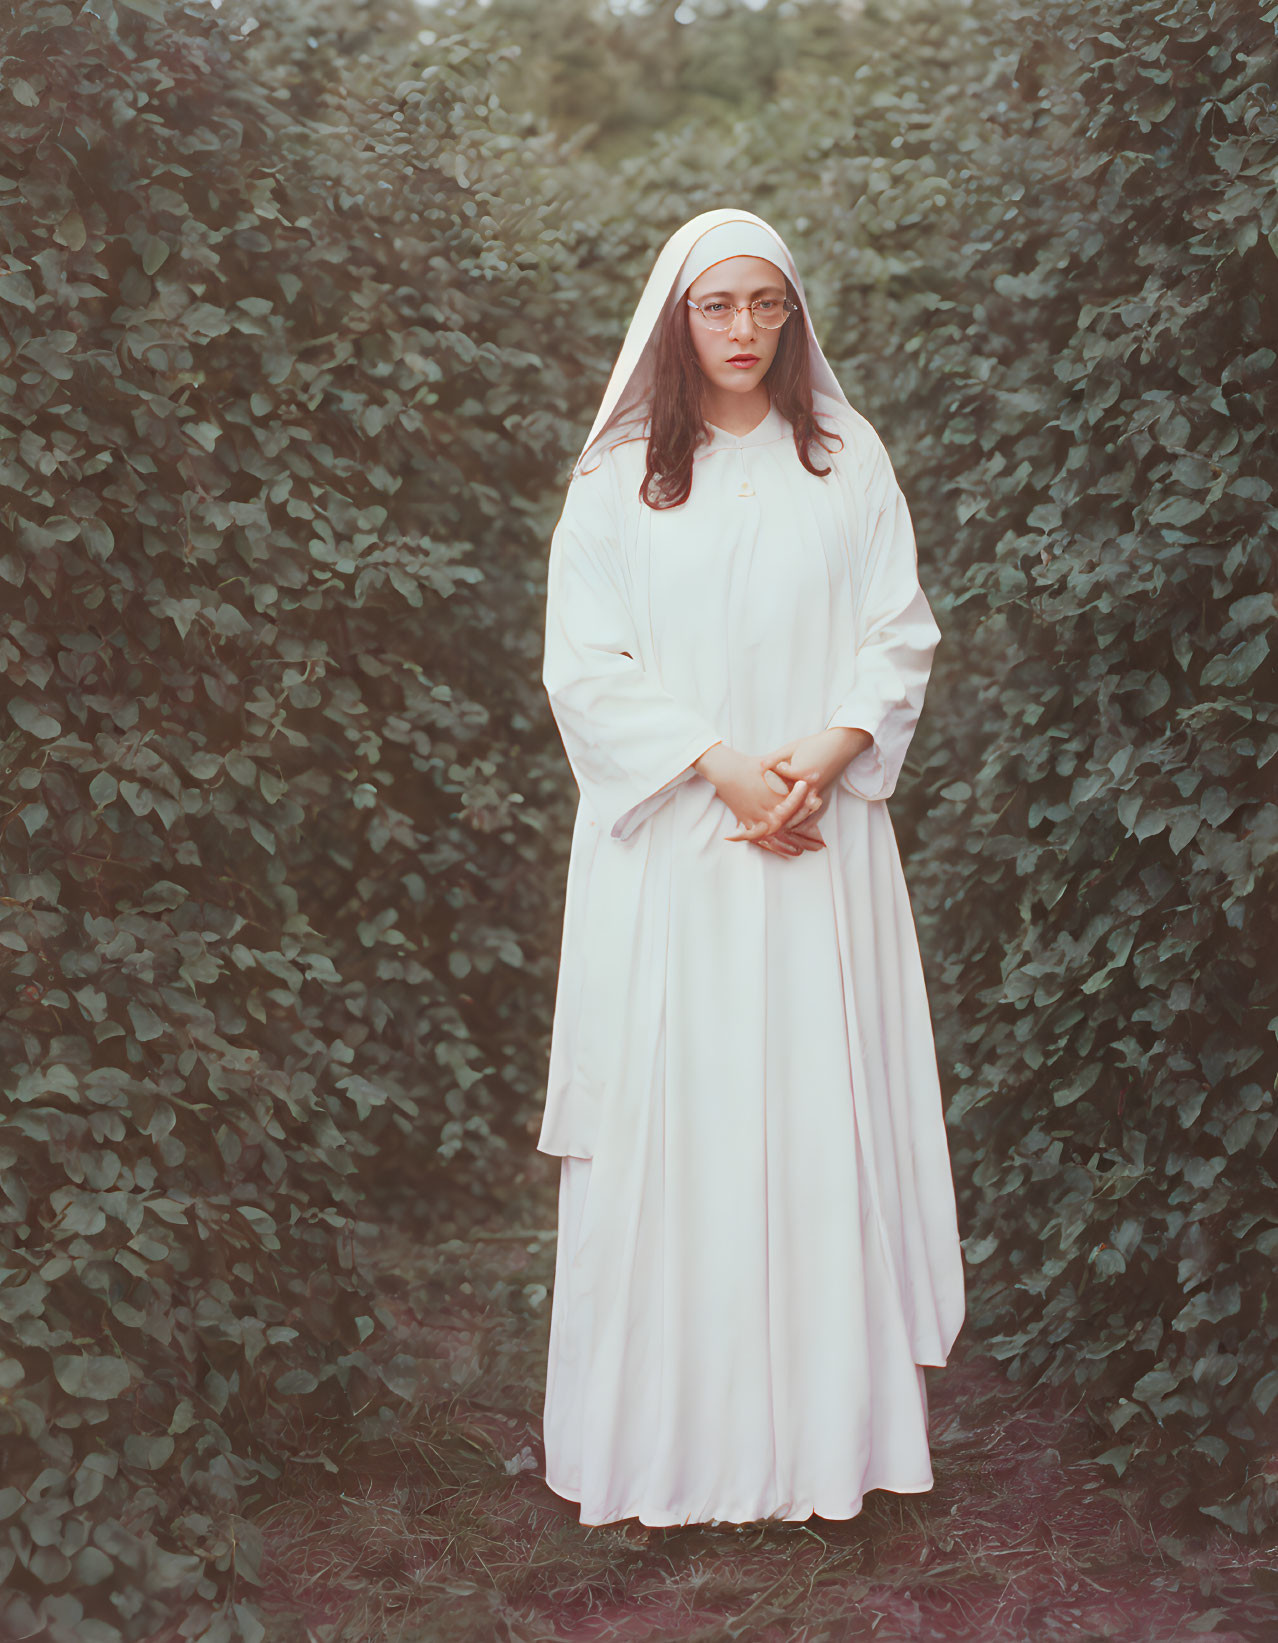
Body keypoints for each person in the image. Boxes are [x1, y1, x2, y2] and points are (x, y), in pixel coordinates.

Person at [537, 207, 965, 1528]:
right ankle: (656, 1457)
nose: (741, 331)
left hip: (819, 849)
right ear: (676, 319)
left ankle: (824, 1457)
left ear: (792, 318)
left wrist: (828, 754)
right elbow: (584, 665)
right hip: (674, 852)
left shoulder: (844, 458)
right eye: (716, 307)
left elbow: (896, 632)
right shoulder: (618, 478)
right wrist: (721, 766)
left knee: (809, 1112)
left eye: (764, 307)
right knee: (680, 1123)